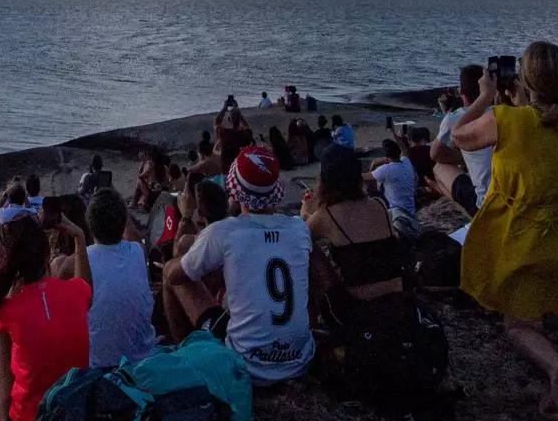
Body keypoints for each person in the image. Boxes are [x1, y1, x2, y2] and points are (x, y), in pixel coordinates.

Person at [452, 42, 558, 421]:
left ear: (524, 83)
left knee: (521, 326)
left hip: (524, 245)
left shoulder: (506, 120)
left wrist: (487, 97)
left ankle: (556, 367)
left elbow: (458, 136)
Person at [164, 148, 314, 384]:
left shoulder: (225, 232)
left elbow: (176, 276)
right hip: (299, 358)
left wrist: (185, 220)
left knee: (170, 274)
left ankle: (186, 354)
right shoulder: (298, 228)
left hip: (246, 364)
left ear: (235, 192)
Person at [0, 216, 92, 421]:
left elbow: (18, 290)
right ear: (47, 253)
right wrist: (79, 237)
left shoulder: (7, 311)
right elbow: (87, 287)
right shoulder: (77, 291)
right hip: (76, 412)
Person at [301, 145, 402, 307]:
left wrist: (304, 213)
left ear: (325, 180)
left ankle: (310, 321)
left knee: (310, 252)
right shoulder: (379, 203)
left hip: (361, 310)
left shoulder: (325, 216)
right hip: (399, 299)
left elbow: (301, 239)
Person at [83, 187, 156, 367]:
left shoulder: (81, 260)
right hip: (143, 359)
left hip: (100, 366)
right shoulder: (138, 251)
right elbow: (133, 235)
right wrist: (121, 211)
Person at [433, 66, 495, 216]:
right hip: (507, 194)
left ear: (462, 93)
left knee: (438, 168)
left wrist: (462, 158)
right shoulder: (503, 113)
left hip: (486, 204)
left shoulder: (454, 118)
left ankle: (470, 216)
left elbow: (435, 154)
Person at [371, 138, 421, 239]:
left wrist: (373, 164)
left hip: (397, 214)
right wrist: (393, 133)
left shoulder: (386, 169)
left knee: (372, 189)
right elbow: (404, 151)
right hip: (411, 212)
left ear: (387, 157)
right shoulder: (406, 162)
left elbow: (361, 178)